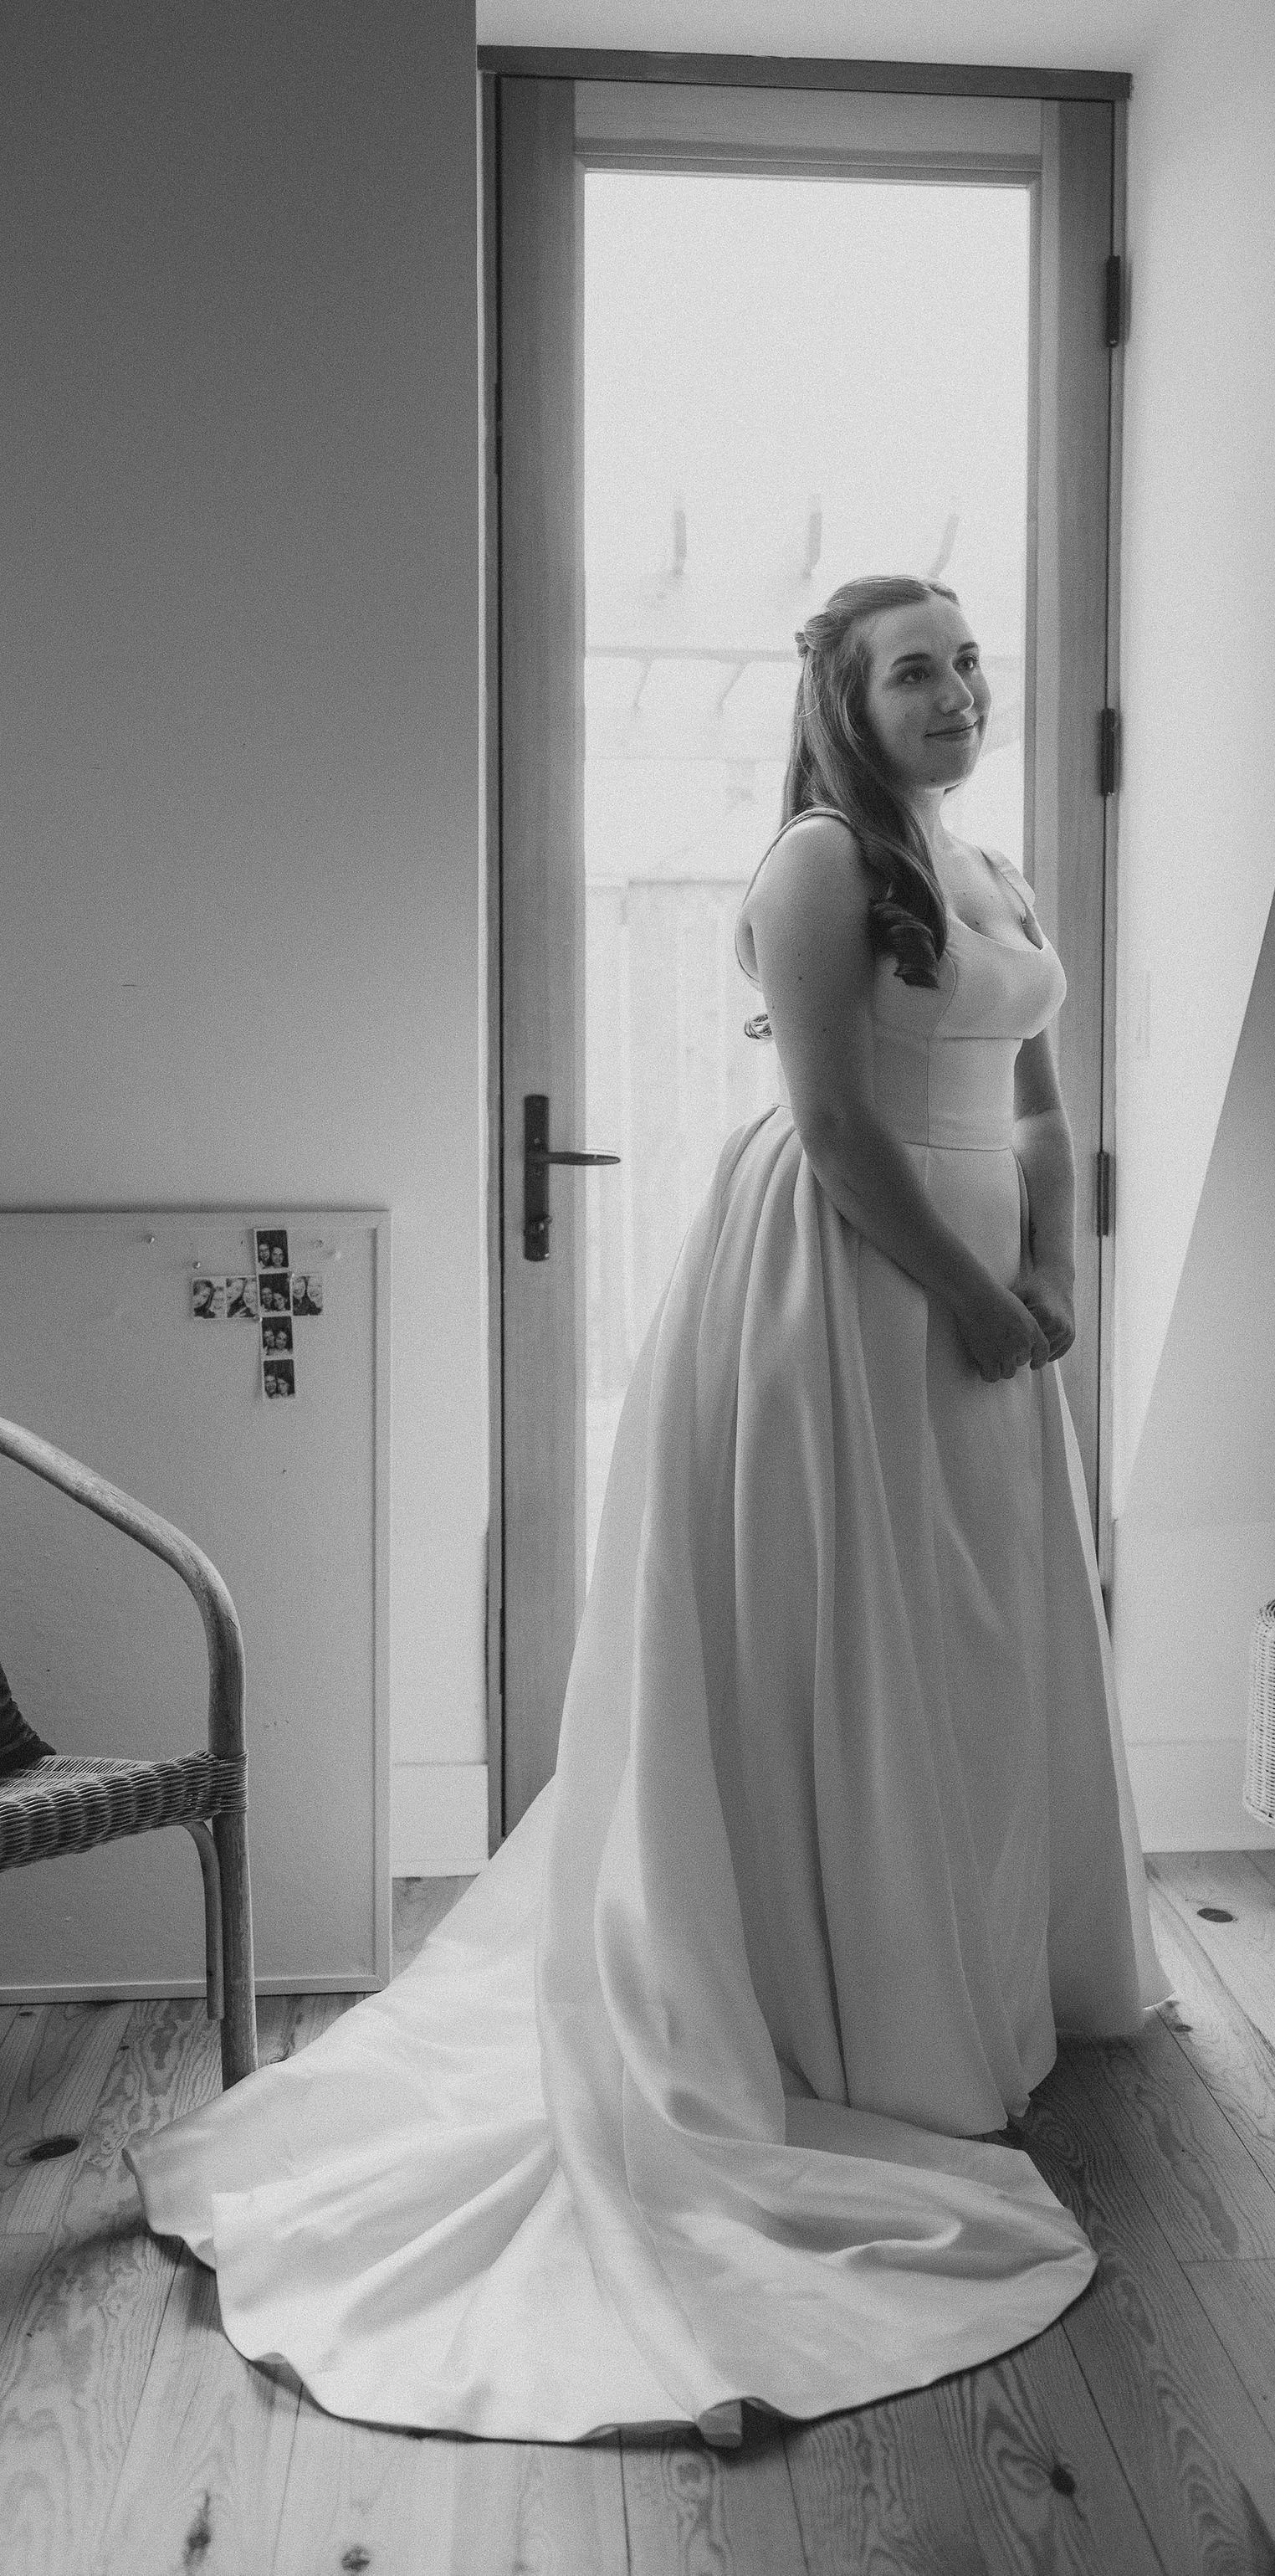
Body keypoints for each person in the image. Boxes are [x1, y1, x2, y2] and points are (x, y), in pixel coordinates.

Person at [126, 572, 1168, 2446]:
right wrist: (970, 1294)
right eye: (914, 670)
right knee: (849, 1637)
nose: (958, 689)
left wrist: (1061, 1273)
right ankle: (838, 2008)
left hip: (992, 1291)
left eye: (968, 661)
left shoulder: (990, 865)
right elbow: (844, 1130)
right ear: (847, 701)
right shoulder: (823, 864)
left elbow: (1034, 1107)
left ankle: (976, 1973)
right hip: (850, 1286)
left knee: (970, 1636)